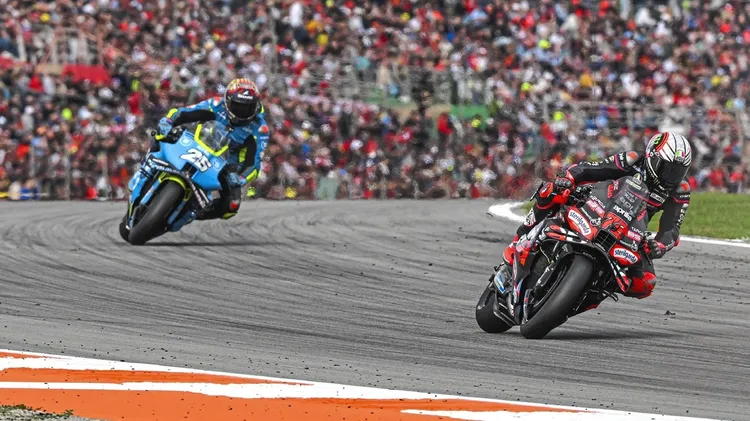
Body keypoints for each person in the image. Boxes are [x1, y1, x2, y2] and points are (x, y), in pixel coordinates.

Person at [498, 132, 693, 304]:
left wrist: (660, 245)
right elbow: (591, 168)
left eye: (678, 171)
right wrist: (569, 177)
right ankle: (517, 241)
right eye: (667, 168)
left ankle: (590, 291)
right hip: (597, 205)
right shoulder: (632, 160)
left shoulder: (680, 189)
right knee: (552, 191)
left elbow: (672, 228)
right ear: (651, 156)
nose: (671, 176)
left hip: (629, 232)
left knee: (646, 283)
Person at [151, 78, 270, 228]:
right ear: (227, 101)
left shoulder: (260, 128)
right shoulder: (215, 104)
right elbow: (184, 112)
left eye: (248, 108)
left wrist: (240, 178)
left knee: (231, 206)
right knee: (161, 135)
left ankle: (193, 211)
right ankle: (148, 165)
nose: (242, 111)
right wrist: (168, 121)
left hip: (226, 164)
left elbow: (255, 163)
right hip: (196, 142)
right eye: (237, 106)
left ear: (256, 106)